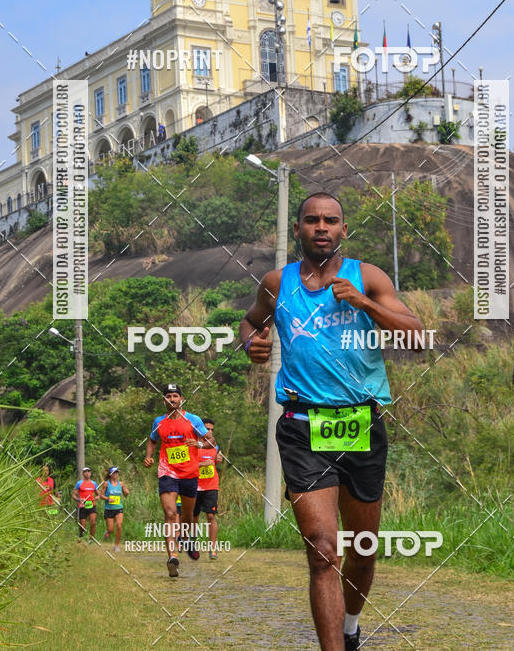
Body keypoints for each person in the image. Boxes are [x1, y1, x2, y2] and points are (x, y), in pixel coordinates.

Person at [240, 192, 424, 651]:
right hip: (302, 424)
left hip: (360, 422)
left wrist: (364, 303)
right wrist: (252, 345)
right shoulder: (276, 282)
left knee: (363, 549)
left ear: (343, 230)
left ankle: (351, 624)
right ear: (298, 228)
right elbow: (249, 323)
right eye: (311, 220)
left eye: (331, 221)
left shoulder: (368, 277)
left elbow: (416, 335)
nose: (321, 227)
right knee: (323, 549)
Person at [143, 382, 208, 577]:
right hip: (167, 471)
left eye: (175, 396)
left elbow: (210, 441)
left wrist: (196, 442)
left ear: (181, 399)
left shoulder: (193, 420)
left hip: (189, 473)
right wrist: (148, 456)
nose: (172, 399)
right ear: (164, 400)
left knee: (187, 517)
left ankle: (184, 541)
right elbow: (153, 440)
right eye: (168, 396)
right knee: (170, 514)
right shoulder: (159, 422)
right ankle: (172, 556)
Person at [192, 418, 223, 560]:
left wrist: (218, 460)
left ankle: (213, 548)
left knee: (211, 516)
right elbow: (187, 466)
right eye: (207, 429)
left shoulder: (215, 447)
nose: (209, 432)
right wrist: (203, 464)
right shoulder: (193, 446)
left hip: (211, 486)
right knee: (194, 517)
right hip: (194, 486)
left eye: (212, 430)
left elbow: (215, 462)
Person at [99, 466, 129, 552]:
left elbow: (125, 494)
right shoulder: (106, 484)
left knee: (119, 525)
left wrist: (127, 492)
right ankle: (107, 532)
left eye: (117, 472)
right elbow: (101, 495)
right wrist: (108, 499)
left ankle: (116, 546)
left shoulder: (121, 484)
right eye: (114, 473)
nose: (116, 474)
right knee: (111, 529)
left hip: (119, 508)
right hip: (109, 509)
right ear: (110, 474)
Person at [73, 466, 99, 543]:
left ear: (90, 473)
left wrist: (97, 497)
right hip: (83, 505)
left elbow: (98, 494)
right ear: (83, 474)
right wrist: (79, 499)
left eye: (88, 471)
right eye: (85, 472)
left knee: (93, 522)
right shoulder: (79, 483)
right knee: (83, 526)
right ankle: (80, 535)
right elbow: (73, 495)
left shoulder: (94, 483)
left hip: (91, 504)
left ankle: (91, 540)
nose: (87, 473)